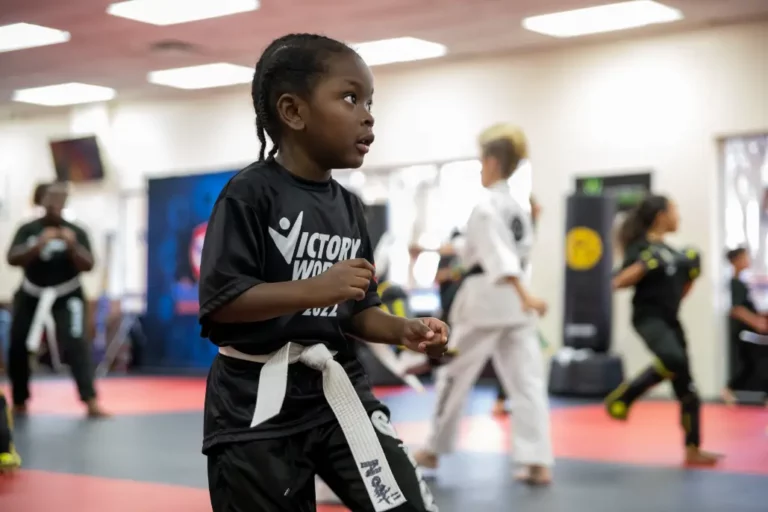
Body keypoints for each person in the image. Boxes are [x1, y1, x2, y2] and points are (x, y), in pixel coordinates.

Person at [198, 33, 447, 512]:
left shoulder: (350, 209)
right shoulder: (250, 195)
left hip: (336, 390)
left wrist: (403, 330)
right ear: (293, 112)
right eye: (351, 98)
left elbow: (358, 309)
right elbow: (223, 302)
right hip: (255, 404)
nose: (368, 114)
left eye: (371, 101)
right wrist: (314, 288)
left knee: (408, 506)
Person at [413, 123, 554, 485]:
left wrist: (528, 297)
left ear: (492, 162)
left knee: (453, 375)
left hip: (487, 301)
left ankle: (431, 448)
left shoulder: (486, 205)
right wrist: (430, 250)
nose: (479, 168)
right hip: (514, 305)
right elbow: (472, 250)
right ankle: (537, 460)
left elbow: (497, 258)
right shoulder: (518, 207)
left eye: (480, 162)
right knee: (526, 382)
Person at [605, 194, 720, 465]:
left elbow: (680, 294)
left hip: (671, 319)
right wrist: (644, 265)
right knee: (673, 359)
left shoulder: (673, 253)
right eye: (675, 209)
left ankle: (693, 449)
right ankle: (624, 396)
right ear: (661, 216)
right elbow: (618, 281)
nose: (678, 215)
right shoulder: (640, 248)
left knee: (688, 388)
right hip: (648, 318)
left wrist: (692, 273)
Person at [5, 181, 107, 418]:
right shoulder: (28, 229)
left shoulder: (76, 231)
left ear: (64, 204)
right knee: (18, 344)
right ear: (42, 202)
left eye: (59, 201)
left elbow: (89, 264)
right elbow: (12, 258)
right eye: (50, 200)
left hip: (67, 294)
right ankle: (19, 401)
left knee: (76, 343)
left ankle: (90, 399)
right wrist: (38, 244)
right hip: (31, 293)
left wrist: (72, 247)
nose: (54, 205)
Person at [721, 247, 768, 405]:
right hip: (745, 332)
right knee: (757, 361)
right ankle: (729, 389)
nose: (748, 260)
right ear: (736, 260)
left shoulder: (741, 282)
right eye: (745, 257)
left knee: (750, 364)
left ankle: (730, 389)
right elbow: (737, 309)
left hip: (749, 330)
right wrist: (757, 322)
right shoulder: (734, 283)